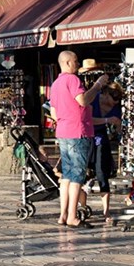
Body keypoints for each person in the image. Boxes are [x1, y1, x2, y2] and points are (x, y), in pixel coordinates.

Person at [50, 50, 108, 228]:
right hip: (77, 132)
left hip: (63, 131)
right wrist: (97, 86)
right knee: (77, 175)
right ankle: (73, 217)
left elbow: (53, 112)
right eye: (75, 61)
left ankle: (63, 214)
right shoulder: (73, 80)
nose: (77, 64)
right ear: (67, 63)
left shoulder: (56, 83)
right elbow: (83, 100)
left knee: (66, 175)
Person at [87, 82, 123, 224]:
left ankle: (106, 210)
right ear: (106, 93)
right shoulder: (93, 99)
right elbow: (87, 120)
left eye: (118, 99)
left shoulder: (116, 107)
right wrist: (107, 120)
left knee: (102, 173)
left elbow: (119, 129)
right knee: (84, 174)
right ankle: (82, 206)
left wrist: (118, 127)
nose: (115, 101)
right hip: (87, 137)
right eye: (114, 97)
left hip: (102, 140)